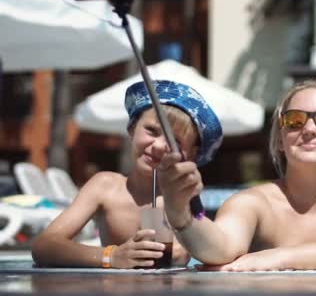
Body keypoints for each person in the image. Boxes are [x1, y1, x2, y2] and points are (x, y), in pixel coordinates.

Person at [158, 79, 316, 271]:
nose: (310, 129)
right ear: (281, 139)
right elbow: (219, 248)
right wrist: (182, 214)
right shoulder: (253, 203)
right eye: (295, 120)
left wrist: (281, 257)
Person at [31, 80, 223, 268]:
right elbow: (44, 246)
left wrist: (188, 248)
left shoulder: (185, 198)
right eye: (152, 131)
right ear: (132, 129)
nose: (158, 146)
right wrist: (111, 256)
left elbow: (214, 252)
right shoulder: (105, 186)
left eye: (176, 142)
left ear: (191, 154)